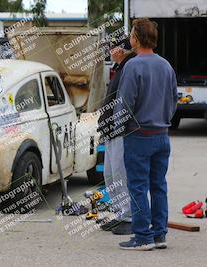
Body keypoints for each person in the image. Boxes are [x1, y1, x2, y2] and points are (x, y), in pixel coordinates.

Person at [114, 18, 178, 251]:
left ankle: (142, 237)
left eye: (131, 33)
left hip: (138, 135)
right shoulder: (166, 65)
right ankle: (159, 235)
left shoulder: (133, 66)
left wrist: (118, 128)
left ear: (136, 38)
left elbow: (125, 104)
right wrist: (163, 120)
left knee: (138, 186)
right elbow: (173, 101)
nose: (129, 37)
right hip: (162, 135)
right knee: (158, 185)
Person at [98, 38, 136, 235]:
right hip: (111, 130)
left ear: (123, 50)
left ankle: (129, 217)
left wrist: (118, 125)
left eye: (113, 47)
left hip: (121, 131)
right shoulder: (119, 68)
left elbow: (126, 101)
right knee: (110, 175)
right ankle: (119, 213)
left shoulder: (129, 67)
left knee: (121, 175)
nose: (110, 50)